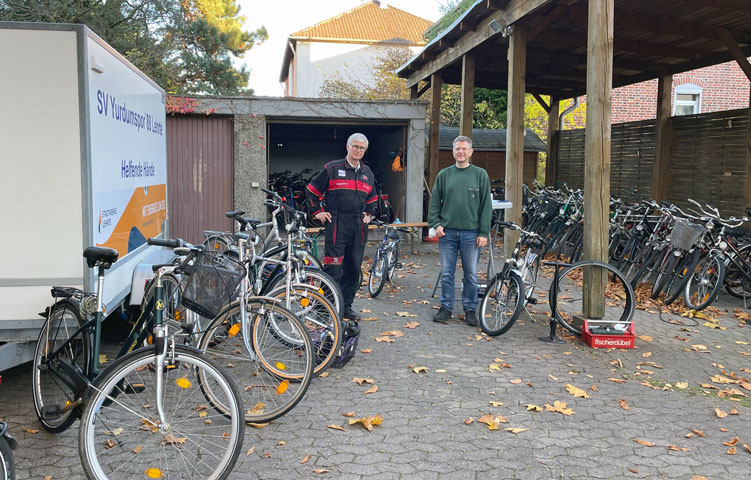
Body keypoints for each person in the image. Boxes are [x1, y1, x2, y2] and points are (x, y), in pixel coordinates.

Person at [306, 133, 378, 321]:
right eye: (355, 146)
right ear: (347, 147)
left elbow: (373, 200)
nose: (358, 150)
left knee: (353, 269)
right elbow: (312, 192)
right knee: (333, 268)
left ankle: (345, 307)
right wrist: (317, 213)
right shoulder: (332, 168)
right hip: (336, 223)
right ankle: (325, 311)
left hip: (358, 226)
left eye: (362, 148)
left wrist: (369, 214)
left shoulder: (367, 173)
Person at [428, 135, 492, 327]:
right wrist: (436, 224)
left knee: (471, 274)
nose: (461, 152)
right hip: (447, 233)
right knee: (447, 273)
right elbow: (433, 204)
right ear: (453, 151)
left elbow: (486, 207)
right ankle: (446, 307)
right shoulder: (444, 175)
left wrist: (483, 232)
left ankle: (470, 309)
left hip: (471, 234)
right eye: (457, 149)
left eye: (464, 149)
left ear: (471, 152)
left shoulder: (480, 175)